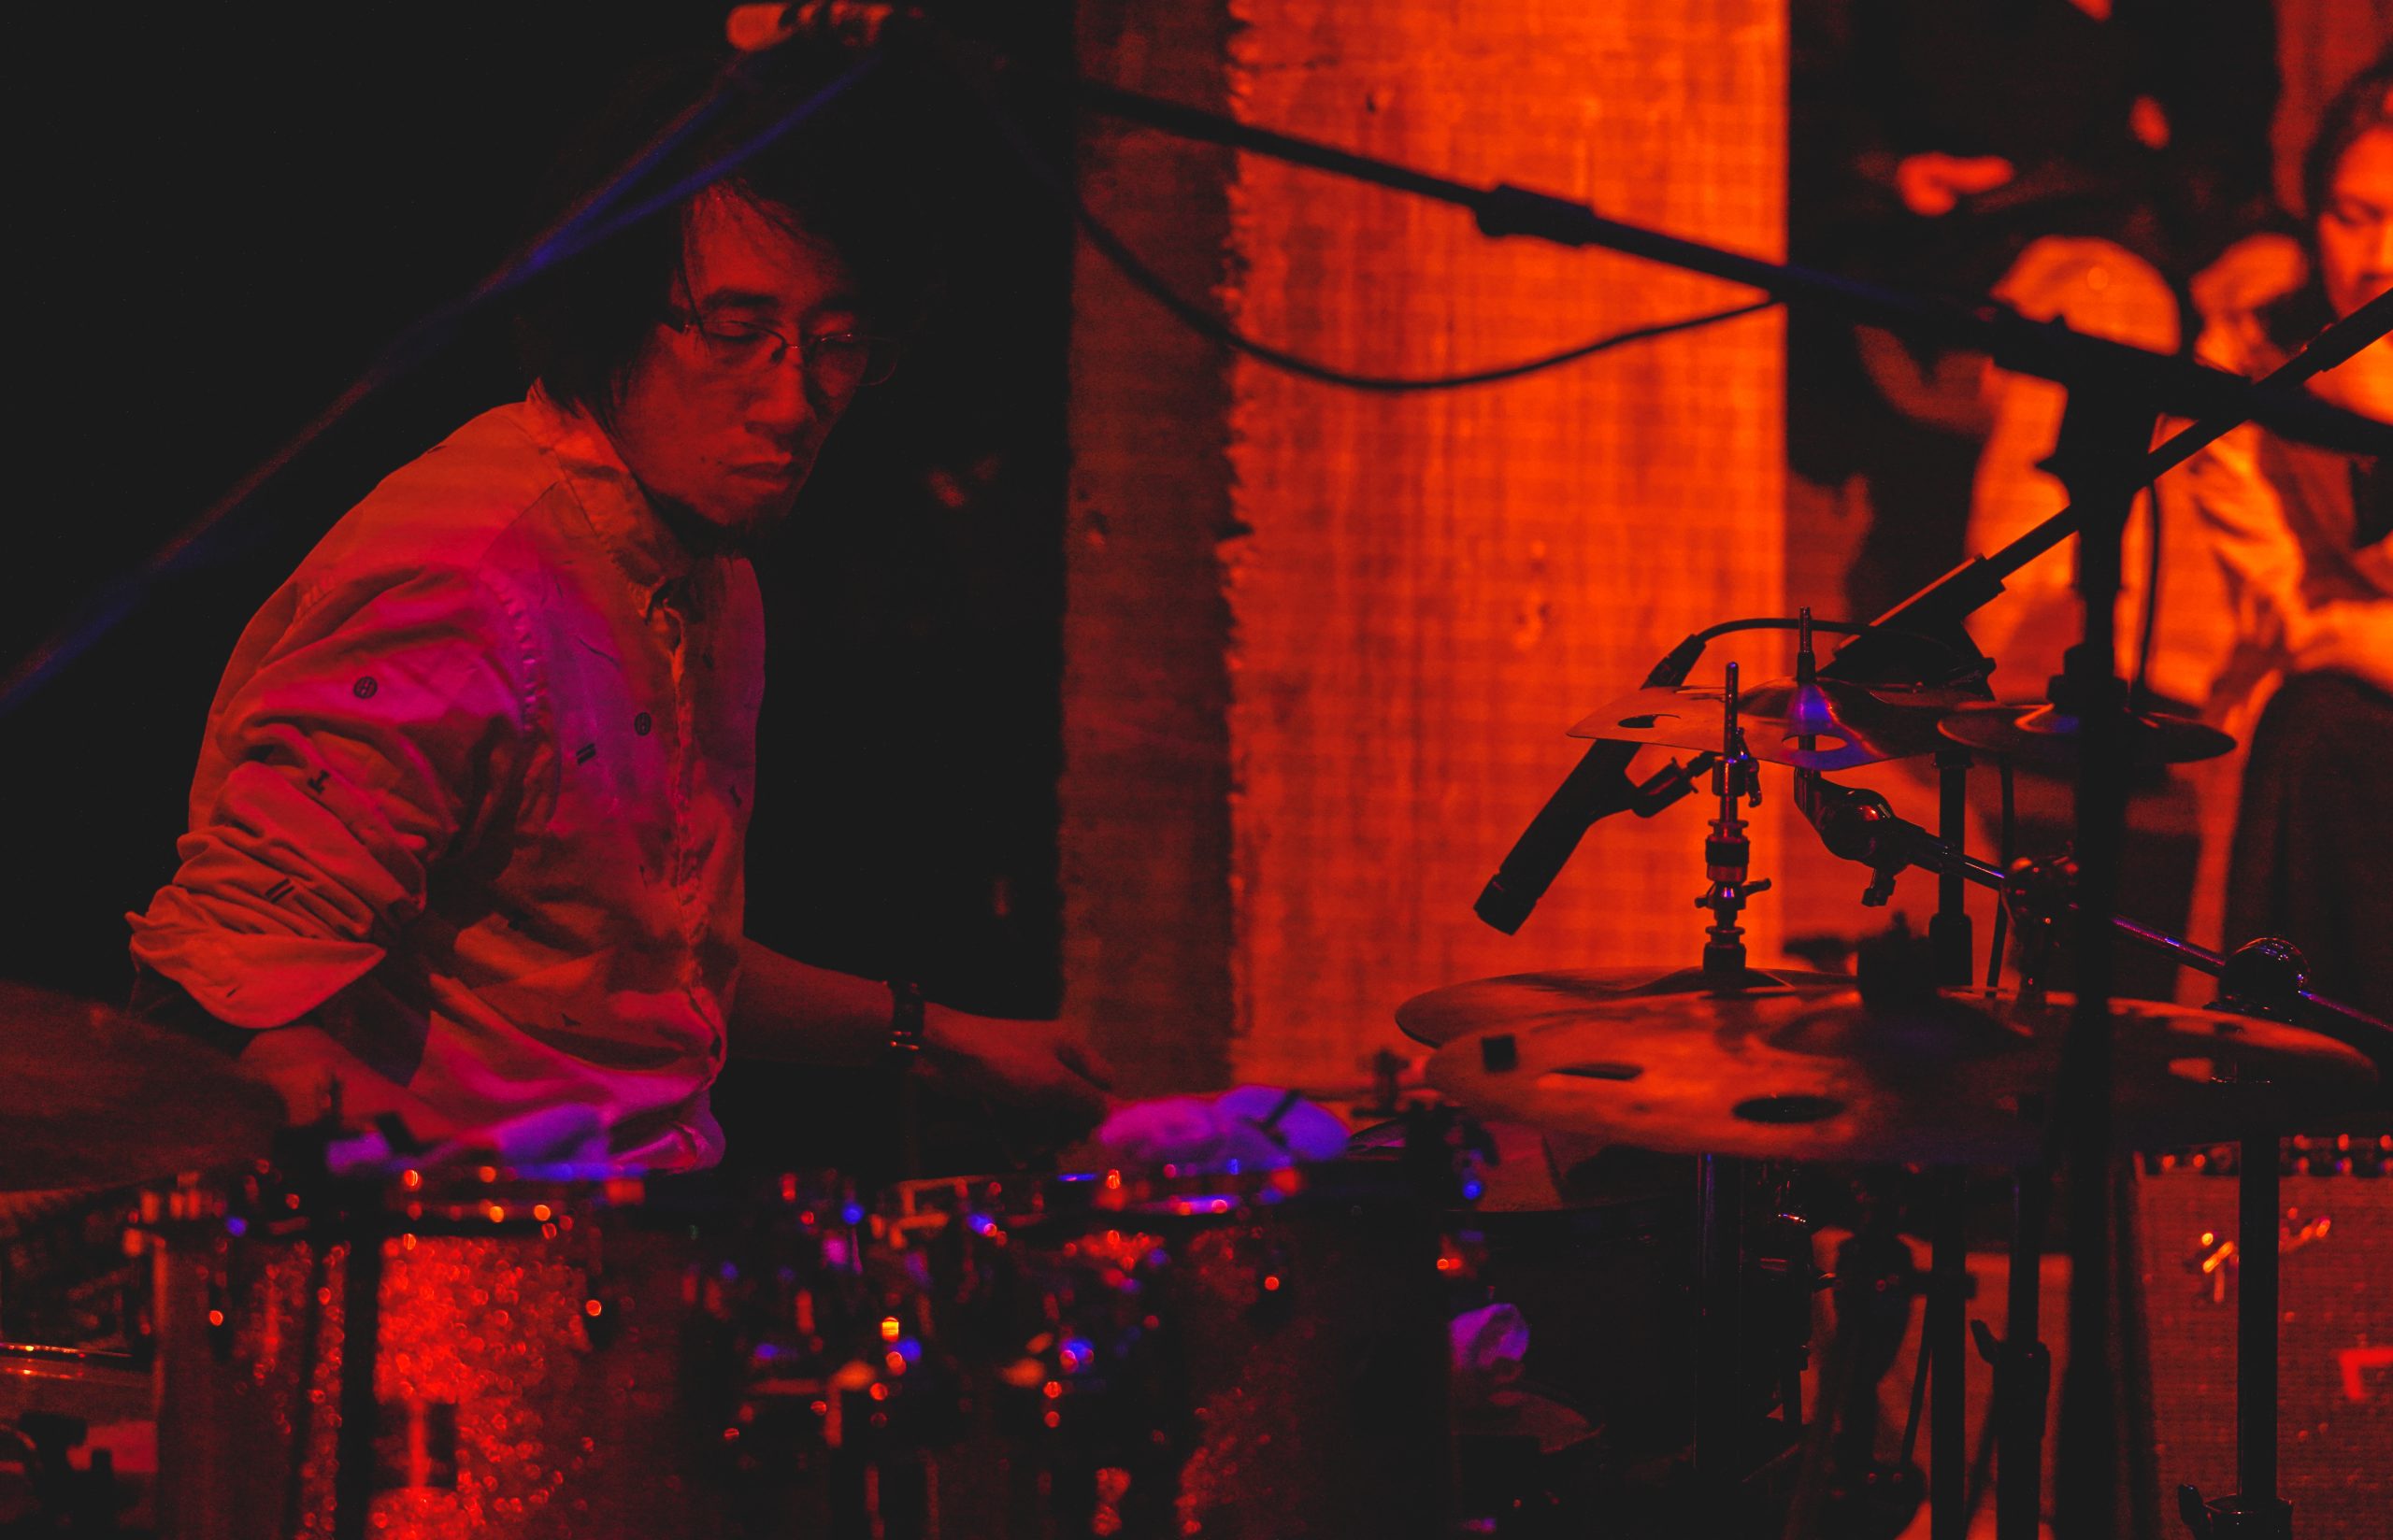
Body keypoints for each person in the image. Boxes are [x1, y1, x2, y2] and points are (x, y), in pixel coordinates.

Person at [123, 62, 1112, 1167]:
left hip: (645, 1229)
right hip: (477, 1259)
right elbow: (237, 991)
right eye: (734, 328)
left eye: (835, 344)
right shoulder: (465, 574)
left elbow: (645, 964)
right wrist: (503, 1198)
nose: (793, 403)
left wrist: (945, 1038)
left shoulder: (707, 570)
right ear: (610, 307)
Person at [2179, 53, 2392, 1017]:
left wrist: (2378, 409)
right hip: (2340, 688)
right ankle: (2299, 1067)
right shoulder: (2253, 357)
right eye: (2352, 216)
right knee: (2309, 726)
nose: (2378, 257)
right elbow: (2285, 607)